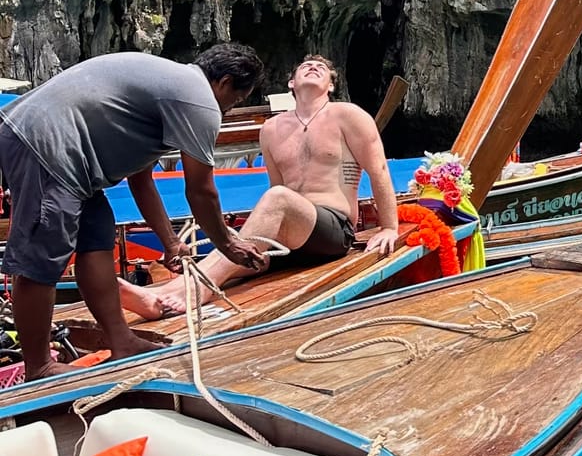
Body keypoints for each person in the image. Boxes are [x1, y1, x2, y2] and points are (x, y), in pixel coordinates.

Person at [0, 43, 268, 379]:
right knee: (44, 253)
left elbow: (141, 180)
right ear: (225, 82)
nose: (229, 110)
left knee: (96, 234)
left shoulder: (167, 89)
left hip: (62, 153)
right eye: (237, 101)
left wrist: (170, 241)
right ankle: (39, 364)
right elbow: (201, 190)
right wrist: (228, 245)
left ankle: (121, 341)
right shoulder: (199, 101)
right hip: (46, 144)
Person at [127, 53, 402, 314]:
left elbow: (378, 169)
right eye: (306, 65)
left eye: (322, 68)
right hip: (286, 240)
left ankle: (203, 287)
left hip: (332, 231)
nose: (313, 67)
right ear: (291, 83)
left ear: (330, 86)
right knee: (235, 244)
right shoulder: (270, 129)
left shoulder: (348, 115)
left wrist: (389, 226)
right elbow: (277, 187)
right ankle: (158, 297)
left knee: (276, 199)